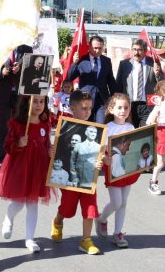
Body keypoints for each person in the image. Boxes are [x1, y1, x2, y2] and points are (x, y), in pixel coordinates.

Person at [0, 95, 54, 253]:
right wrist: (19, 143)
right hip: (21, 167)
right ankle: (9, 217)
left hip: (38, 168)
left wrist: (50, 150)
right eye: (35, 102)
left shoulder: (45, 124)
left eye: (42, 102)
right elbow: (8, 146)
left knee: (33, 204)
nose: (39, 105)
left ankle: (30, 239)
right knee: (18, 203)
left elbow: (46, 143)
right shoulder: (17, 124)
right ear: (27, 103)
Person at [51, 90, 104, 255]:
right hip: (70, 175)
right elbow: (59, 152)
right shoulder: (65, 127)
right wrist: (53, 152)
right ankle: (58, 221)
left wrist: (101, 161)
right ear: (72, 108)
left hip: (89, 176)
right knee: (68, 208)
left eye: (90, 108)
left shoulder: (95, 130)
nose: (88, 112)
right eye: (84, 108)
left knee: (90, 206)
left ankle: (86, 240)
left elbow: (101, 152)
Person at [96, 93, 137, 248]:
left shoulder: (131, 127)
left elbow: (133, 148)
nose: (123, 110)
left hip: (127, 169)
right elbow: (102, 150)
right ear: (111, 109)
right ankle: (101, 218)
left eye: (126, 108)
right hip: (112, 169)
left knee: (124, 202)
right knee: (116, 202)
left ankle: (118, 233)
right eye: (119, 107)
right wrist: (104, 159)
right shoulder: (108, 128)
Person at [0, 44, 33, 168]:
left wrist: (21, 67)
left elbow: (33, 69)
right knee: (4, 126)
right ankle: (3, 158)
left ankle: (17, 157)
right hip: (4, 93)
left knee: (19, 126)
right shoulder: (1, 46)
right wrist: (1, 71)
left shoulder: (27, 49)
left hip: (19, 94)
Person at [67, 36, 118, 123]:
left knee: (100, 126)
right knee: (85, 125)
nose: (97, 50)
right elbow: (70, 77)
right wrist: (74, 63)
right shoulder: (81, 60)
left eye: (100, 48)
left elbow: (111, 81)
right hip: (85, 100)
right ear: (89, 47)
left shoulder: (106, 61)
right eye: (95, 48)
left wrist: (115, 97)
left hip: (101, 101)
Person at [115, 39, 159, 127]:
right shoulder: (124, 64)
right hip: (129, 106)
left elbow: (161, 84)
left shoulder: (153, 62)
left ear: (145, 51)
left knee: (144, 133)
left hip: (147, 105)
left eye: (139, 50)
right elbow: (118, 85)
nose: (136, 52)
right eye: (134, 49)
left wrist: (157, 75)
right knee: (130, 132)